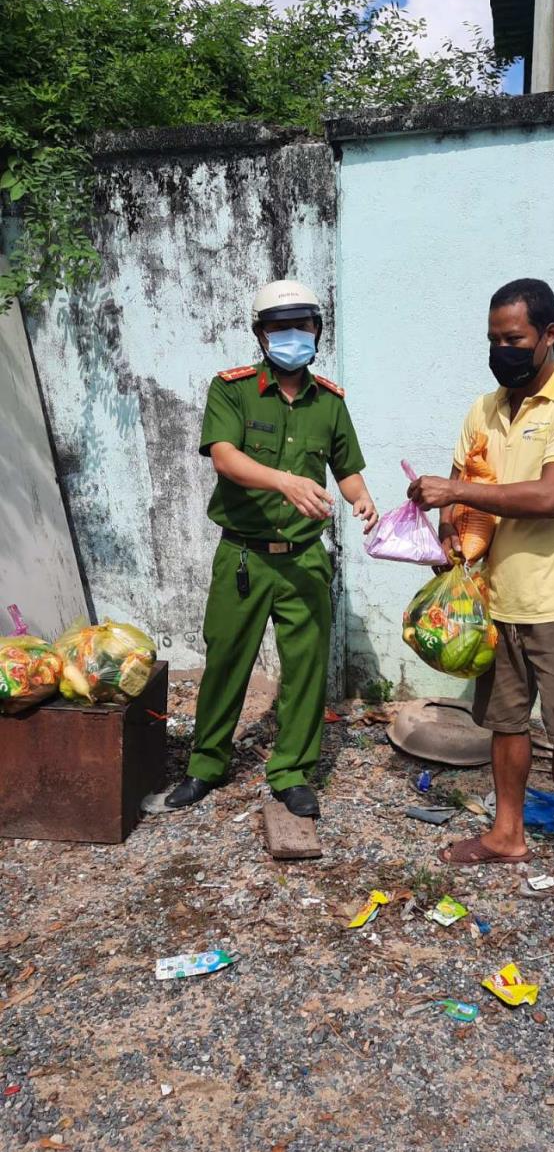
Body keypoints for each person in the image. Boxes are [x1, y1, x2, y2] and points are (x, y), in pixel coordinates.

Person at [407, 278, 554, 911]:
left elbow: (549, 499)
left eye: (514, 338)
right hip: (493, 603)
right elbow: (463, 488)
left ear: (549, 335)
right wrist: (449, 534)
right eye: (494, 339)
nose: (502, 349)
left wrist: (457, 494)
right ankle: (507, 833)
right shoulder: (483, 410)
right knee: (505, 723)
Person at [165, 279, 377, 818]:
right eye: (279, 327)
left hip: (304, 557)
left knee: (306, 669)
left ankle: (291, 771)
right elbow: (224, 457)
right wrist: (284, 481)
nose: (292, 336)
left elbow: (346, 468)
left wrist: (363, 501)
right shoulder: (232, 390)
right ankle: (206, 765)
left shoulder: (328, 402)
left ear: (317, 332)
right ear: (261, 335)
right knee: (226, 661)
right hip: (243, 555)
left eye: (302, 326)